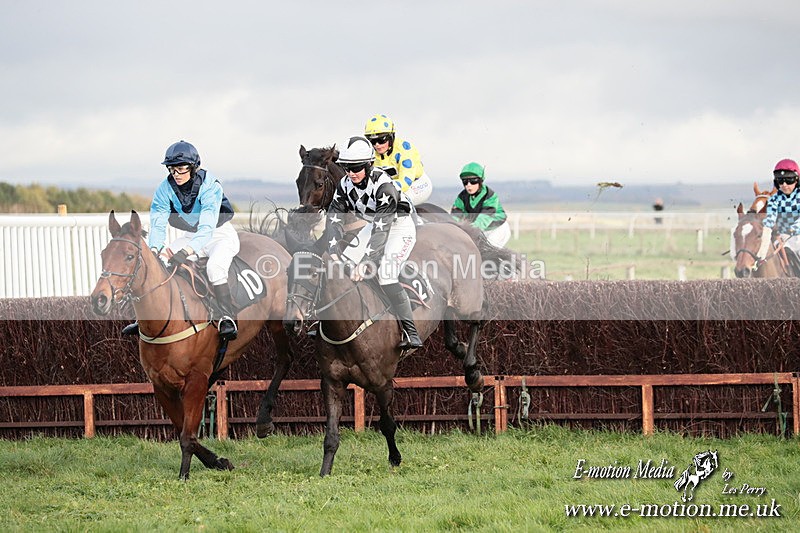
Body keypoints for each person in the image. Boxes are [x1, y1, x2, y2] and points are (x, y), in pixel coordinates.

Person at [121, 140, 239, 340]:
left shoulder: (210, 185)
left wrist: (187, 251)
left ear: (193, 168)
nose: (176, 174)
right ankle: (145, 318)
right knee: (162, 262)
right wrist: (155, 250)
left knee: (215, 268)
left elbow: (207, 227)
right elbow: (158, 224)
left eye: (181, 169)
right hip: (192, 236)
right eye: (172, 169)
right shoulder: (164, 189)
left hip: (219, 235)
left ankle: (227, 317)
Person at [319, 135, 422, 349]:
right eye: (347, 168)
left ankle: (411, 332)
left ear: (368, 164)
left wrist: (367, 262)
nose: (351, 174)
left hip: (399, 227)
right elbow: (334, 218)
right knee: (339, 266)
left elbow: (382, 232)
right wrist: (333, 247)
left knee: (385, 274)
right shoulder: (346, 184)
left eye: (356, 168)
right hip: (373, 226)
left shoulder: (384, 186)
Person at [364, 113, 432, 205]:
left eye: (381, 140)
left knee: (400, 202)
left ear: (391, 137)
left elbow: (406, 181)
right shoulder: (370, 153)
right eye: (372, 141)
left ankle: (414, 219)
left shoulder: (404, 150)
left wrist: (382, 189)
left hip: (415, 185)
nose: (377, 145)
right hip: (387, 188)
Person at [450, 162, 511, 248]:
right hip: (479, 231)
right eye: (465, 182)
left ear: (480, 181)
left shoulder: (490, 196)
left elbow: (483, 220)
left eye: (473, 181)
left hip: (497, 229)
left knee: (487, 253)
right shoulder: (462, 197)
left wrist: (469, 230)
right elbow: (455, 217)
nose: (469, 185)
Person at [757, 158, 800, 270]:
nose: (784, 185)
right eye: (780, 181)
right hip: (782, 236)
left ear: (796, 180)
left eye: (788, 181)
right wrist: (766, 227)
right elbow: (770, 217)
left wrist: (794, 228)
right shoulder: (774, 200)